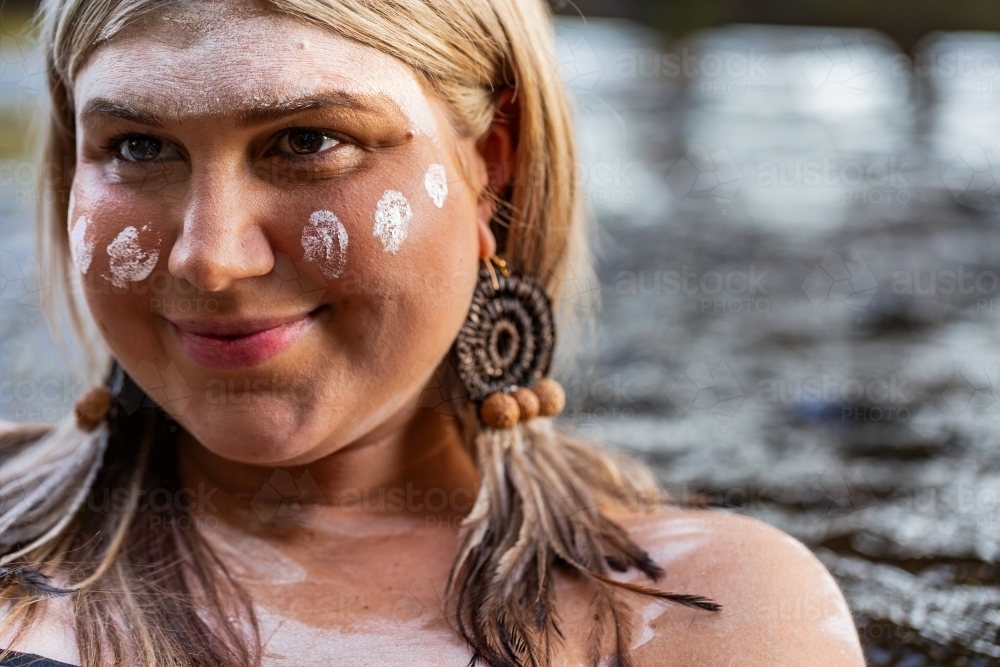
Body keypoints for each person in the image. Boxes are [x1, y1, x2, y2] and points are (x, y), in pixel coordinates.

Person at [0, 0, 866, 665]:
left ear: (492, 164)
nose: (210, 259)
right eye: (139, 148)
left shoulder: (700, 617)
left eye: (307, 140)